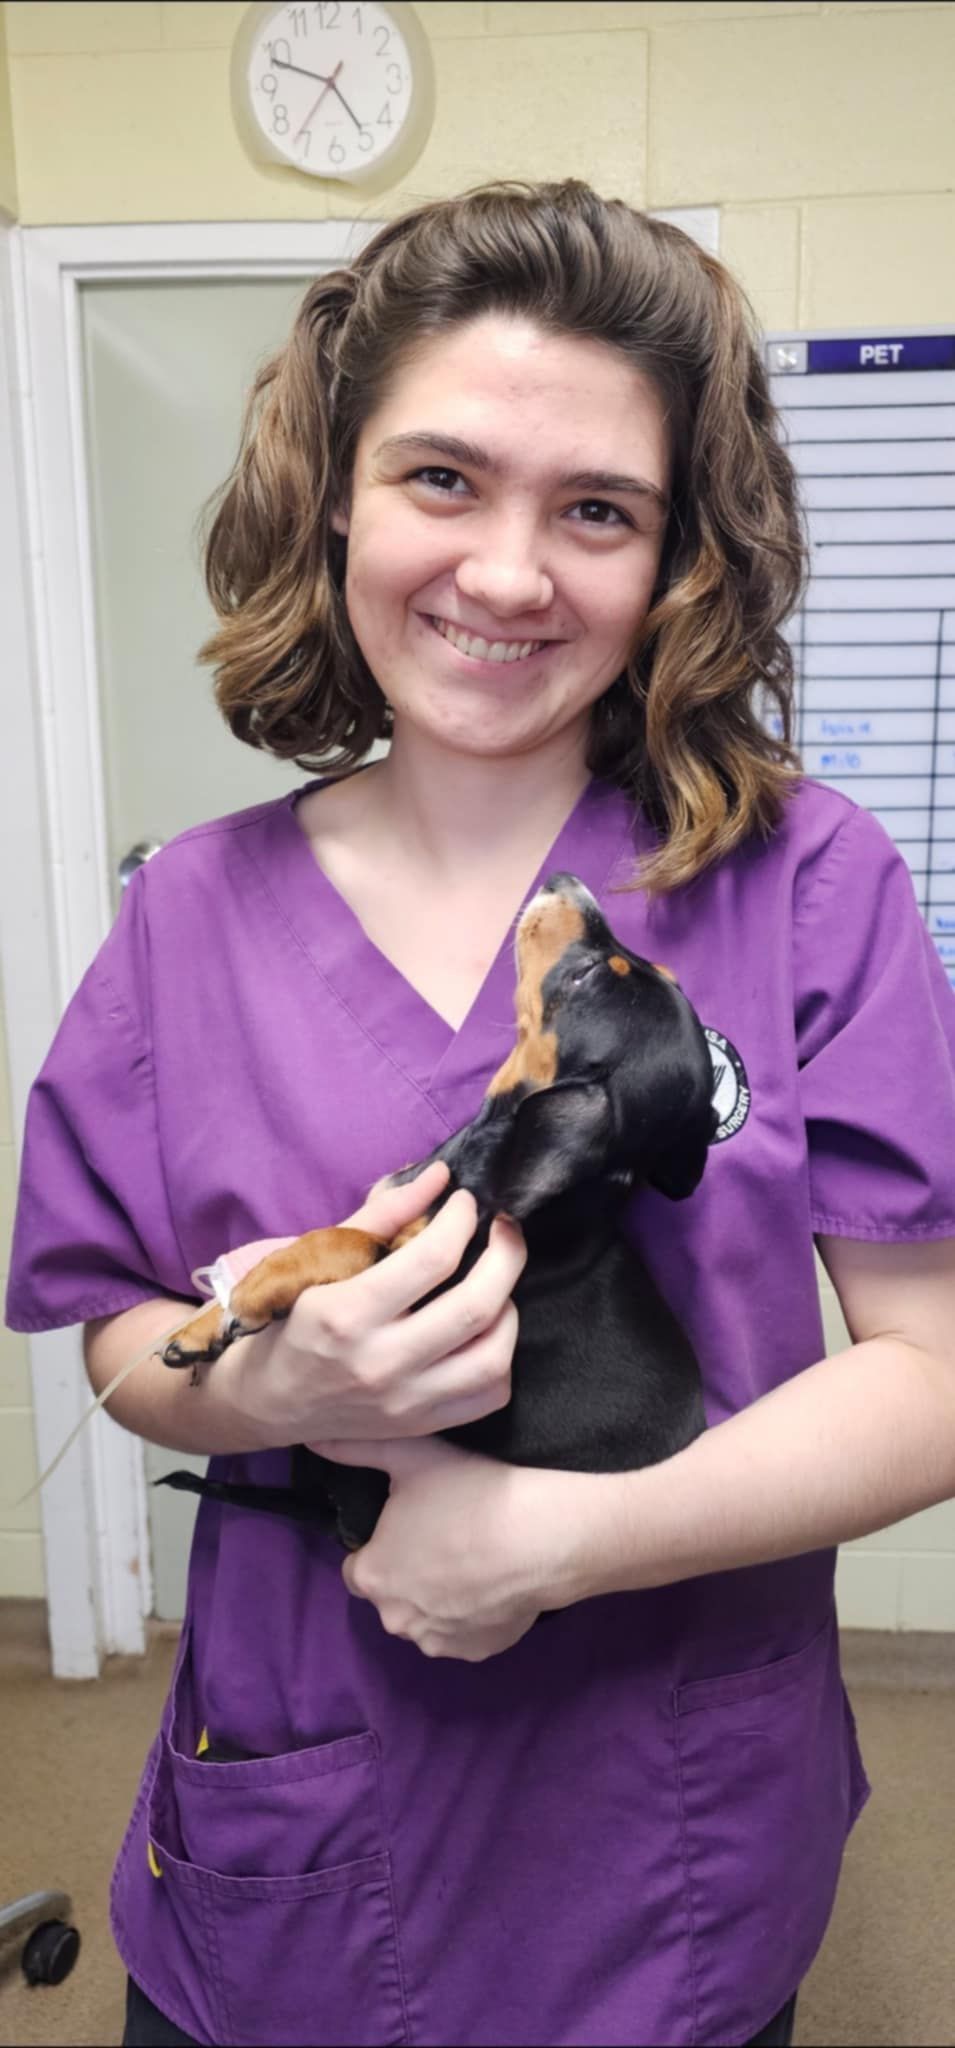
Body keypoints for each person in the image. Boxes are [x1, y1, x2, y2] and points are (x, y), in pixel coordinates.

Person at [7, 179, 955, 2048]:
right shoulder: (187, 913)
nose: (510, 576)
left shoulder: (810, 881)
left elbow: (937, 1369)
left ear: (676, 556)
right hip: (303, 1817)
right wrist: (267, 1388)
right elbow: (120, 1339)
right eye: (442, 478)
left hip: (666, 1834)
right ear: (336, 498)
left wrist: (563, 1540)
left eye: (596, 509)